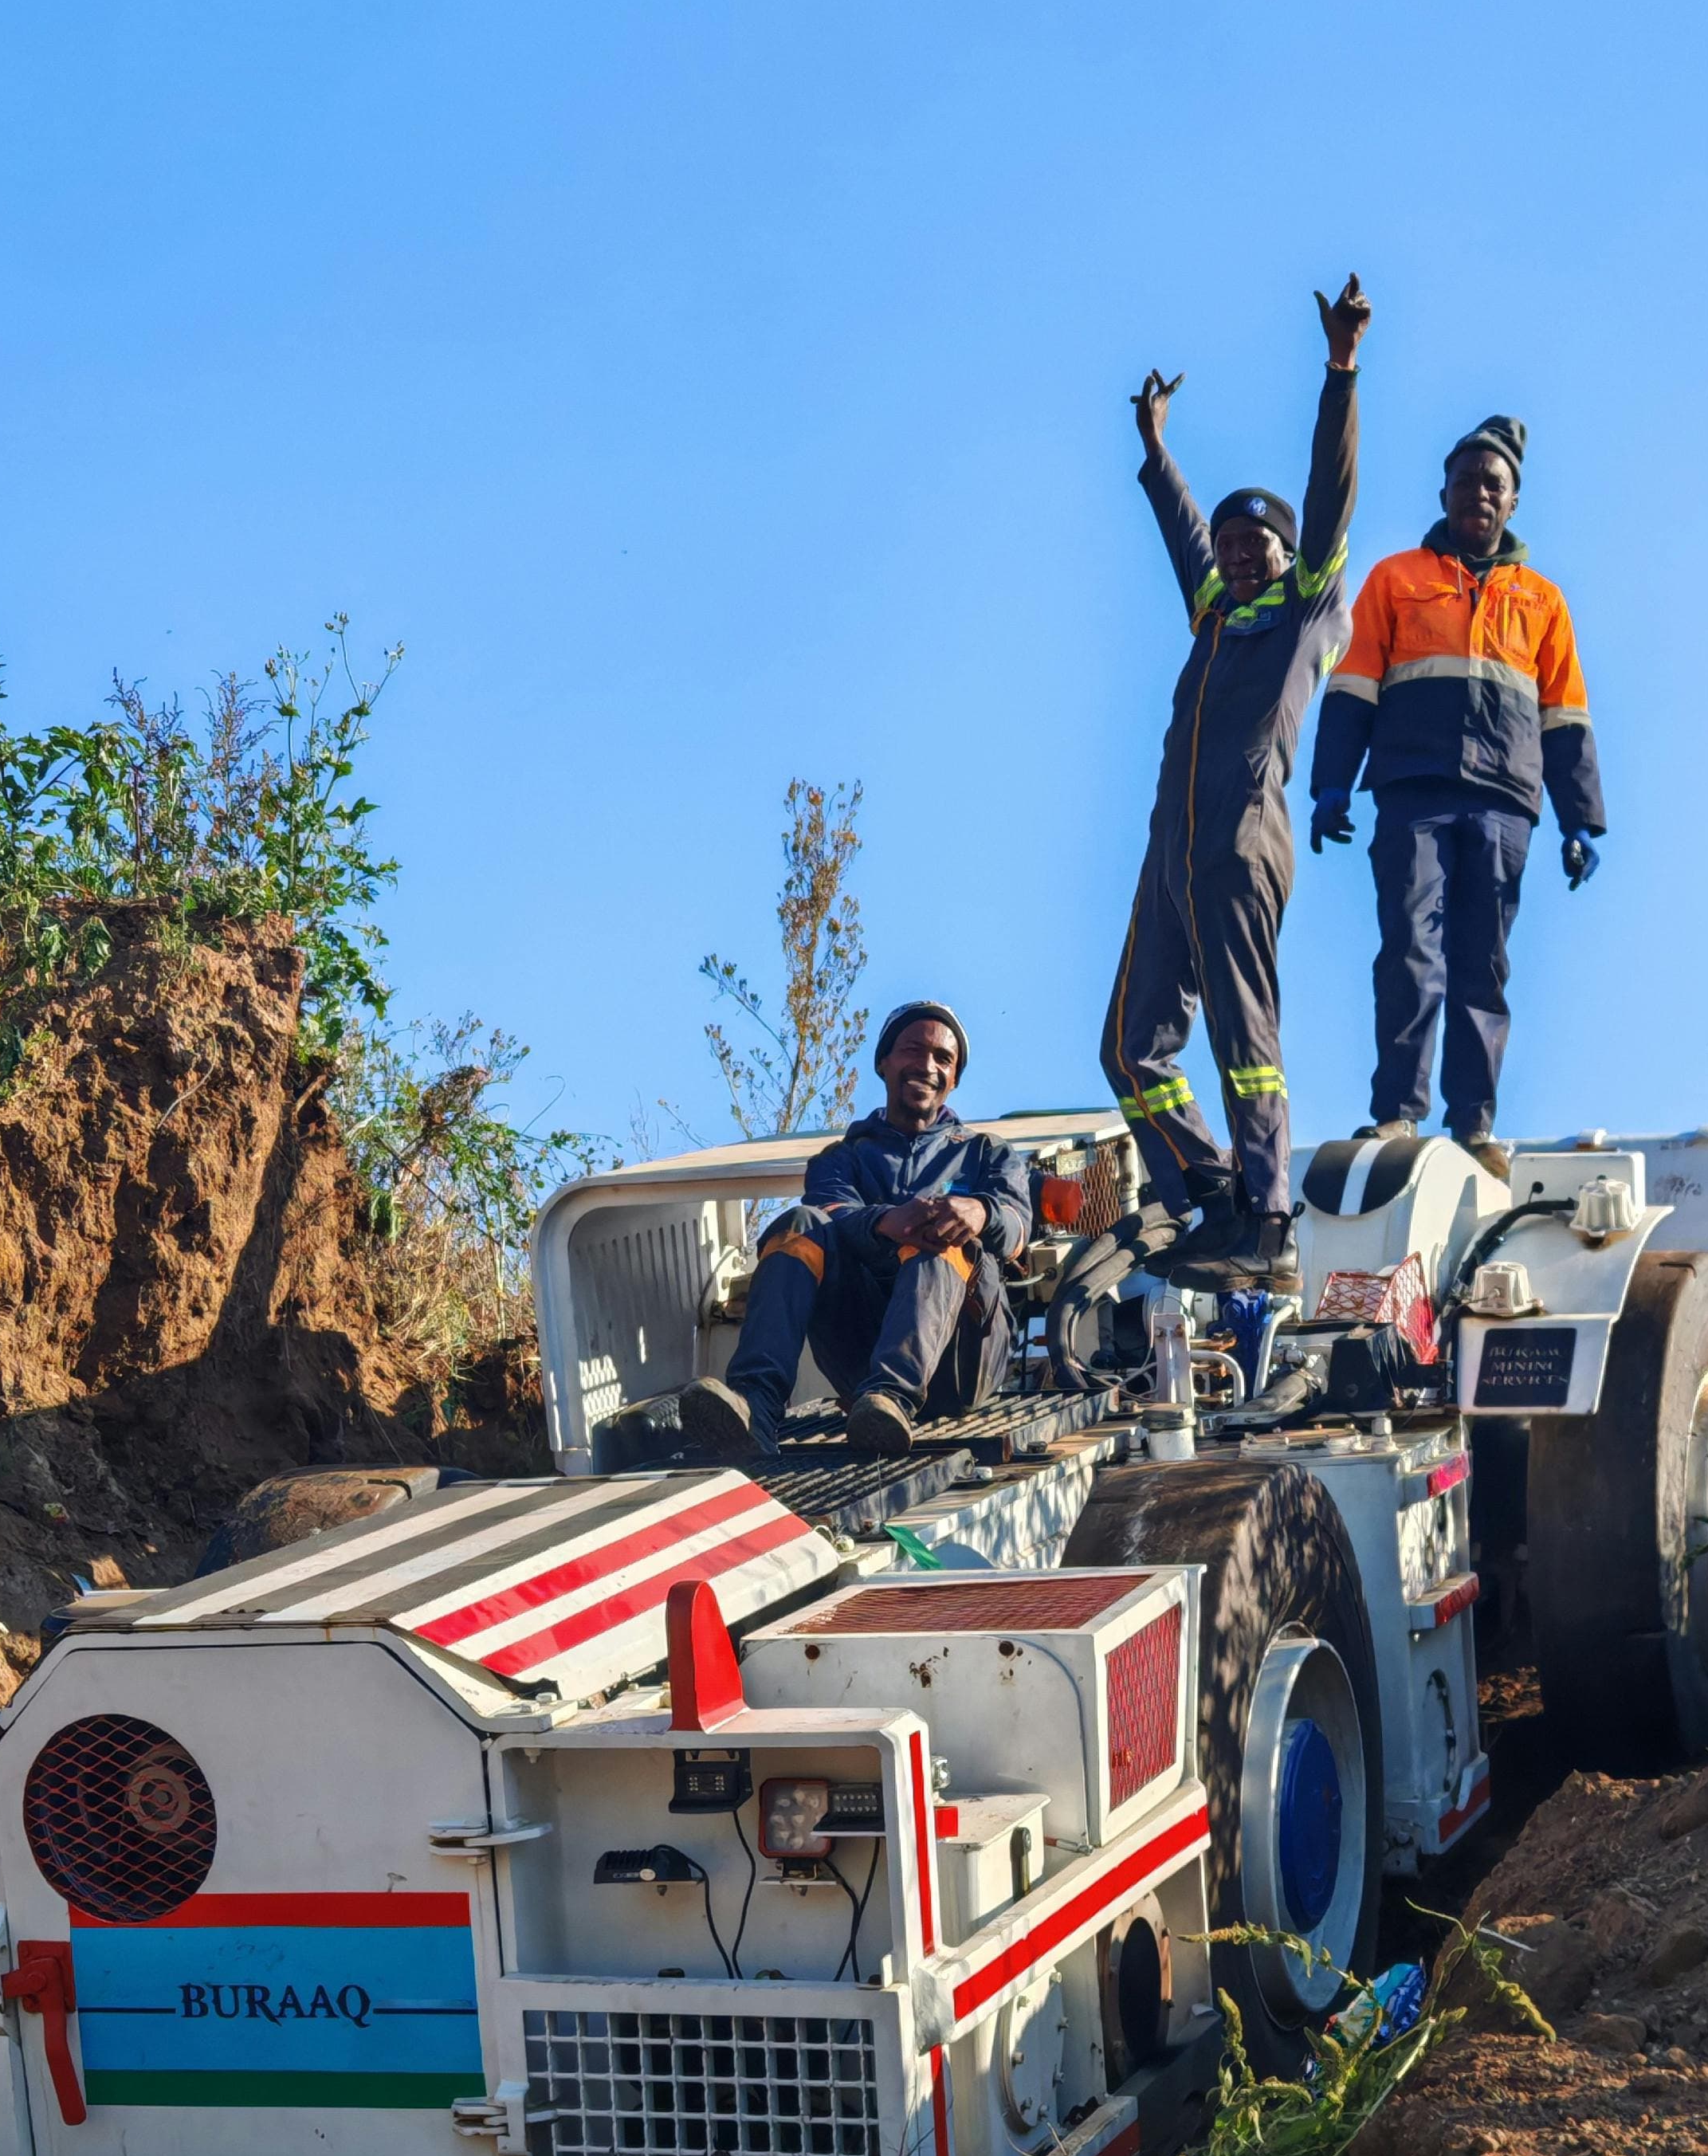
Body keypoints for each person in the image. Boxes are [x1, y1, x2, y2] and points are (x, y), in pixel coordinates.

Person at [1098, 273, 1372, 1291]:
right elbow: (1180, 534)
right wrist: (1157, 451)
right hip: (1168, 852)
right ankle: (1210, 1192)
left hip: (1241, 840)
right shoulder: (1216, 618)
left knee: (1243, 1041)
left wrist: (1340, 371)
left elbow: (1332, 491)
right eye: (1228, 540)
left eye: (1258, 539)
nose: (1237, 551)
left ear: (1293, 556)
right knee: (1130, 1048)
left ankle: (1268, 1221)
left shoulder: (1306, 614)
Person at [1306, 414, 1606, 1179]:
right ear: (1443, 489)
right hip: (1414, 793)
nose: (1480, 491)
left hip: (1506, 805)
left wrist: (1581, 820)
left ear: (1513, 504)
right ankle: (1396, 1114)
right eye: (1468, 478)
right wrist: (1332, 784)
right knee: (1410, 951)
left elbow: (1564, 713)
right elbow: (1352, 687)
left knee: (1484, 965)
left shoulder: (1542, 600)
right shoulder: (1396, 579)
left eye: (1495, 483)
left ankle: (1475, 1127)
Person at [679, 1003, 1031, 1463]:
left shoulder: (988, 1154)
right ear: (883, 1062)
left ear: (954, 1080)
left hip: (960, 1366)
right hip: (859, 1370)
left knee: (942, 1237)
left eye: (943, 1059)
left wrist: (982, 1212)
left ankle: (894, 1399)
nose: (927, 1065)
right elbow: (830, 1207)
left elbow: (1019, 1227)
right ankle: (757, 1409)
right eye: (913, 1049)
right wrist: (885, 1222)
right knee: (798, 1227)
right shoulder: (839, 1159)